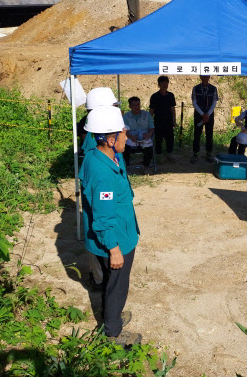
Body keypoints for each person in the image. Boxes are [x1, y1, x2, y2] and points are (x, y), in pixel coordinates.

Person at [79, 105, 141, 346]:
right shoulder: (103, 174)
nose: (127, 135)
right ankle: (113, 333)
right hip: (116, 240)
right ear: (109, 138)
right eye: (123, 133)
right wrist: (114, 249)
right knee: (117, 285)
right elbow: (103, 218)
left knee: (111, 283)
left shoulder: (101, 156)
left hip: (121, 232)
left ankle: (110, 316)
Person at [78, 87, 120, 291]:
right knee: (98, 240)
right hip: (101, 213)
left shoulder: (98, 140)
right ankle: (98, 279)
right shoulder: (93, 147)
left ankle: (99, 276)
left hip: (106, 212)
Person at [191, 75, 219, 163]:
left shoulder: (214, 89)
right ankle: (195, 154)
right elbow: (194, 103)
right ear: (200, 77)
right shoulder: (195, 89)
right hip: (199, 115)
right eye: (203, 76)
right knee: (197, 134)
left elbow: (214, 103)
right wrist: (203, 114)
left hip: (209, 115)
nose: (205, 78)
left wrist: (208, 114)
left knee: (209, 134)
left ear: (209, 77)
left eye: (206, 76)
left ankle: (209, 153)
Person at [123, 97, 155, 173]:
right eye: (134, 105)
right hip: (131, 139)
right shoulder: (126, 116)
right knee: (124, 148)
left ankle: (145, 166)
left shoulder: (147, 115)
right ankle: (127, 166)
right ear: (130, 106)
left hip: (144, 138)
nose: (136, 107)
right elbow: (124, 130)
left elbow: (152, 128)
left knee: (150, 147)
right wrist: (130, 136)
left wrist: (148, 134)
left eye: (138, 105)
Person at [149, 76, 177, 161]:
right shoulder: (154, 96)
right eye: (162, 83)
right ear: (158, 84)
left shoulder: (171, 95)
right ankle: (159, 155)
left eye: (166, 83)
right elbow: (151, 110)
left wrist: (174, 121)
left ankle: (170, 154)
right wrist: (150, 123)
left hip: (168, 121)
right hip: (158, 121)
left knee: (170, 139)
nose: (164, 85)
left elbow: (173, 109)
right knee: (158, 139)